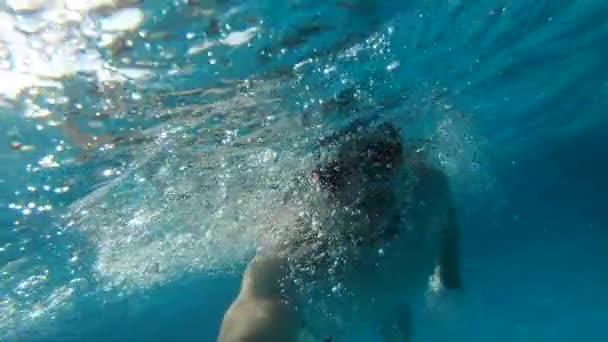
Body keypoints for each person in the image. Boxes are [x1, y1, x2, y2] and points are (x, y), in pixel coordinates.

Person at [218, 122, 463, 342]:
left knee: (397, 321)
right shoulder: (287, 254)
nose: (362, 185)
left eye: (378, 156)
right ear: (313, 184)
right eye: (333, 175)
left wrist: (448, 279)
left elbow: (446, 223)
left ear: (402, 155)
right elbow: (256, 309)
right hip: (328, 325)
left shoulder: (429, 186)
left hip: (391, 300)